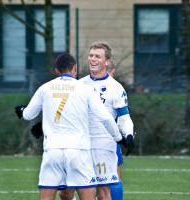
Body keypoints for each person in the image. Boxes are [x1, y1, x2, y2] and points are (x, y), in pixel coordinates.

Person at [14, 53, 123, 200]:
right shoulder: (85, 89)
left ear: (56, 71)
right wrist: (118, 137)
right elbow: (105, 117)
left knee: (49, 194)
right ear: (75, 68)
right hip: (78, 150)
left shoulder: (45, 88)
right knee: (88, 194)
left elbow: (28, 115)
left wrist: (21, 111)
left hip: (52, 150)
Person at [59, 41, 135, 200]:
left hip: (103, 146)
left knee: (102, 192)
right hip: (79, 145)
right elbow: (65, 112)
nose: (93, 59)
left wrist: (128, 135)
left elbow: (124, 117)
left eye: (97, 56)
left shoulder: (116, 88)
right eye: (91, 55)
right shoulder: (78, 85)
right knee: (66, 192)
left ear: (107, 62)